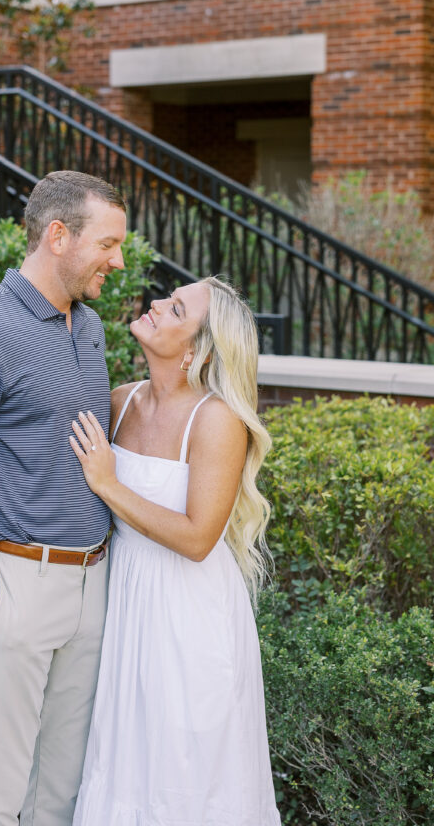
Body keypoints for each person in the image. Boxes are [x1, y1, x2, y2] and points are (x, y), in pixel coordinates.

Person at [0, 170, 127, 826]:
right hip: (14, 582)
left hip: (89, 584)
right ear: (58, 236)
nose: (118, 261)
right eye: (108, 244)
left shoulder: (87, 326)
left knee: (57, 792)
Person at [69, 276, 281, 826]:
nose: (157, 304)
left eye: (177, 307)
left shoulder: (216, 420)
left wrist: (109, 484)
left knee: (184, 774)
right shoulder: (119, 402)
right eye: (168, 297)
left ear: (197, 349)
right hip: (125, 606)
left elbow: (197, 537)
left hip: (190, 616)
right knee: (124, 764)